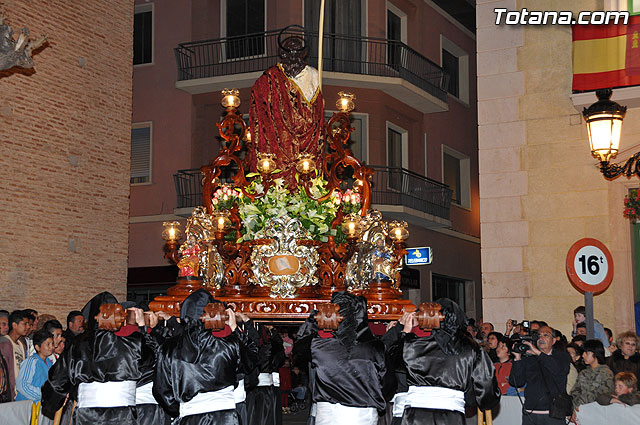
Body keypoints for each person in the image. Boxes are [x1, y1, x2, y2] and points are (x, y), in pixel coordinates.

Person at [386, 299, 500, 425]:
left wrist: (403, 332)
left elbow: (387, 357)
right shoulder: (472, 349)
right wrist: (468, 399)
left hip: (415, 416)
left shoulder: (414, 345)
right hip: (451, 416)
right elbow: (487, 390)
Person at [154, 289, 259, 424]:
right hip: (225, 418)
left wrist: (184, 409)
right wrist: (234, 329)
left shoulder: (168, 347)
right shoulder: (228, 344)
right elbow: (251, 362)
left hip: (191, 417)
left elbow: (162, 391)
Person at [41, 292, 147, 424]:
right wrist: (143, 329)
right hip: (123, 416)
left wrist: (52, 402)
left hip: (88, 416)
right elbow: (153, 362)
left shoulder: (77, 345)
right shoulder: (133, 343)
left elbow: (57, 381)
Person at [294, 291, 386, 425]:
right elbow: (386, 382)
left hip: (330, 413)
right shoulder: (375, 347)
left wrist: (313, 321)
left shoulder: (319, 346)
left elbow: (299, 349)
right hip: (362, 412)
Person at [248, 30, 324, 188]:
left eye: (297, 51)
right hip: (278, 143)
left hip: (308, 143)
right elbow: (259, 107)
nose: (293, 55)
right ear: (282, 53)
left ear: (304, 54)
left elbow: (317, 112)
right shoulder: (269, 78)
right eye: (289, 51)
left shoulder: (314, 75)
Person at [509, 326, 571, 425]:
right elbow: (516, 382)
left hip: (553, 413)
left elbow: (558, 370)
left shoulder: (561, 356)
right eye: (538, 336)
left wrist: (538, 353)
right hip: (530, 412)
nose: (541, 338)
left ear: (554, 340)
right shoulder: (529, 358)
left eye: (545, 335)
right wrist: (517, 359)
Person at [570, 339, 614, 408]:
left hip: (596, 411)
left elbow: (596, 395)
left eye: (587, 353)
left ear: (596, 353)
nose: (583, 355)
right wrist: (574, 407)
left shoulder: (605, 373)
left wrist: (579, 407)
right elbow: (575, 392)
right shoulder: (584, 372)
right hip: (579, 410)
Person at [15, 328, 54, 402]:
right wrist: (43, 394)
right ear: (37, 347)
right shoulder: (31, 361)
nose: (51, 347)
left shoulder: (49, 362)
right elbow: (22, 386)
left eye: (52, 343)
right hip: (27, 406)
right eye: (48, 344)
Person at [0, 309, 29, 400]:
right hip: (9, 393)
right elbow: (6, 372)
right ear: (14, 325)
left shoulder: (22, 344)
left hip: (20, 392)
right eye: (24, 324)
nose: (27, 327)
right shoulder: (5, 344)